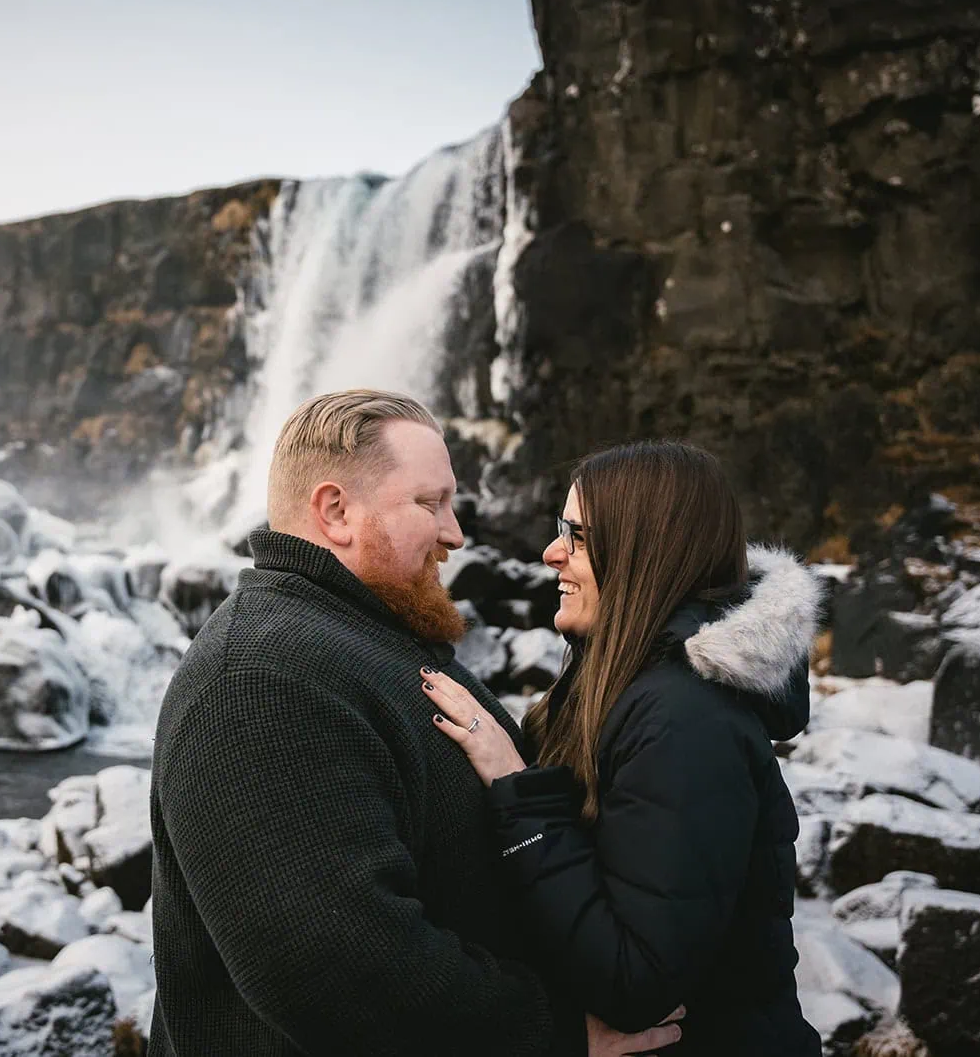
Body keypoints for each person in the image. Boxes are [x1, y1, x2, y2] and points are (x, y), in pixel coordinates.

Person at [148, 391, 682, 1056]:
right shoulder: (261, 681)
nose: (456, 533)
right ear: (336, 511)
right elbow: (335, 967)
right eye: (430, 503)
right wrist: (550, 1033)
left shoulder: (359, 639)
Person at [422, 441, 824, 1054]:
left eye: (577, 536)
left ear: (644, 552)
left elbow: (635, 985)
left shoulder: (685, 720)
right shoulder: (621, 688)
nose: (551, 553)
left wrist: (517, 788)